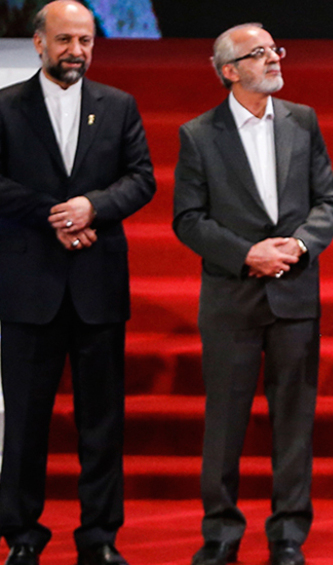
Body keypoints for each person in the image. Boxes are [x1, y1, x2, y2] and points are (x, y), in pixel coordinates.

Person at [172, 23, 333, 565]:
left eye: (275, 50)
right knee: (225, 422)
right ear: (229, 70)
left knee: (295, 421)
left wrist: (299, 244)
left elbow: (330, 200)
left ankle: (288, 532)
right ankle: (221, 532)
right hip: (233, 298)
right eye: (259, 53)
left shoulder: (302, 120)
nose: (274, 59)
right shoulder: (198, 134)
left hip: (295, 295)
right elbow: (188, 219)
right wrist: (248, 254)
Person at [0, 1, 155, 564]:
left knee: (101, 424)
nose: (77, 51)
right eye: (65, 40)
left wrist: (92, 207)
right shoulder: (5, 107)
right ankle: (22, 536)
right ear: (39, 42)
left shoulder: (119, 105)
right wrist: (56, 216)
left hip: (98, 287)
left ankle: (99, 538)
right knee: (25, 424)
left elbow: (141, 179)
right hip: (28, 289)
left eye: (86, 40)